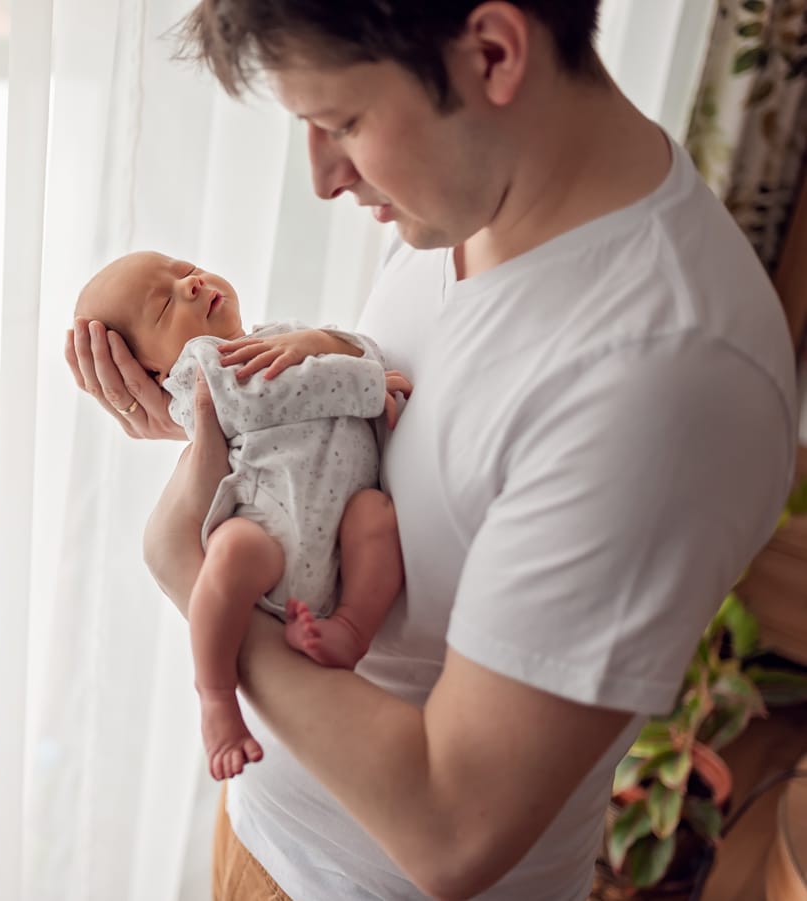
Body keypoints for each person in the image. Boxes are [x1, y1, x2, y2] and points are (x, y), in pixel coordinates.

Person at [65, 2, 798, 899]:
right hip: (267, 829)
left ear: (492, 54)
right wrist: (215, 435)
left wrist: (190, 576)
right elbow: (403, 455)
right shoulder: (464, 212)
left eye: (343, 123)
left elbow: (453, 830)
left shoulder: (666, 380)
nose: (324, 178)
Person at [76, 250, 410, 781]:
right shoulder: (200, 371)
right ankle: (215, 696)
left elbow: (369, 351)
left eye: (185, 270)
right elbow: (257, 400)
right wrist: (364, 382)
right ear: (155, 372)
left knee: (376, 518)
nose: (190, 285)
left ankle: (349, 626)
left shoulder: (277, 333)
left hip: (340, 530)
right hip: (267, 523)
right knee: (229, 553)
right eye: (164, 304)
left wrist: (323, 343)